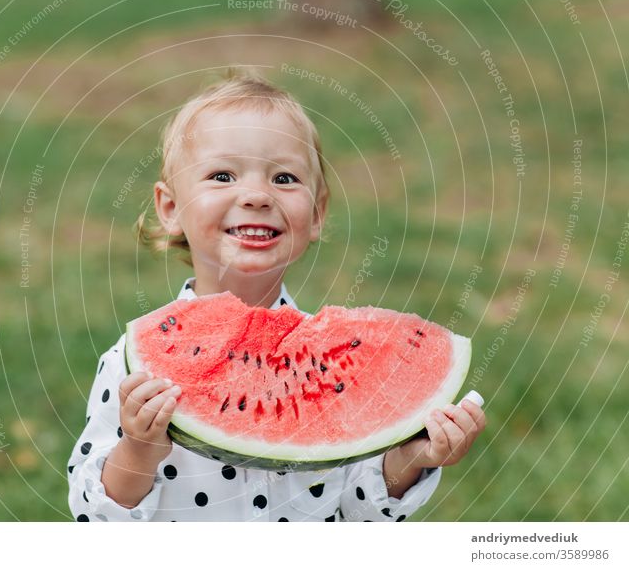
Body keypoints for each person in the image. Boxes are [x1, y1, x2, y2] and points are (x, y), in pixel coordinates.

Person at [67, 68, 486, 521]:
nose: (256, 196)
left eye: (284, 179)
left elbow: (358, 512)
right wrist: (139, 449)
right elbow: (96, 516)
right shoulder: (133, 366)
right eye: (222, 176)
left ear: (317, 212)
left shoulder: (334, 366)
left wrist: (411, 459)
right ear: (170, 208)